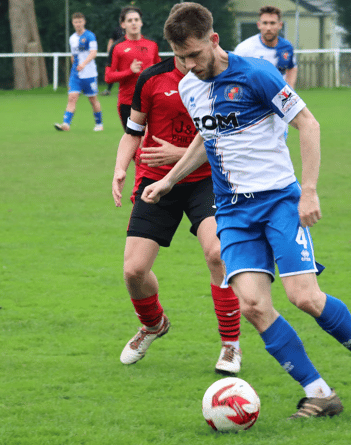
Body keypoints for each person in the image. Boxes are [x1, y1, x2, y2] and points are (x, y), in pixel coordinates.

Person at [143, 2, 351, 419]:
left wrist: (310, 191)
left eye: (194, 54)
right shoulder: (190, 86)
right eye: (180, 57)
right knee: (252, 305)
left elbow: (309, 124)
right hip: (231, 211)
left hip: (279, 200)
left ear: (213, 40)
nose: (188, 65)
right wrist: (169, 180)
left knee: (304, 297)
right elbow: (204, 140)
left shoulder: (257, 74)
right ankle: (319, 392)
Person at [112, 49, 242, 375]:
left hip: (206, 180)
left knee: (217, 253)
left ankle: (230, 345)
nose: (191, 60)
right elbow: (133, 132)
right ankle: (153, 324)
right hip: (156, 181)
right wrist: (119, 169)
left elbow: (230, 139)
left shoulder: (221, 79)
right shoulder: (152, 78)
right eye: (183, 52)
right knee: (134, 272)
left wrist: (179, 153)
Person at [105, 6, 161, 130]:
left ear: (141, 22)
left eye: (136, 19)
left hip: (152, 102)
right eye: (130, 20)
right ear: (123, 25)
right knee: (134, 143)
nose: (134, 23)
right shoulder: (117, 47)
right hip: (128, 104)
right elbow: (108, 77)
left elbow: (160, 71)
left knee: (151, 144)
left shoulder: (152, 45)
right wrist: (129, 72)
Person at [54, 12, 104, 132]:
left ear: (84, 22)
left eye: (80, 21)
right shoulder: (72, 38)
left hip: (89, 74)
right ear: (73, 23)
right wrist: (75, 63)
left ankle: (99, 124)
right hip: (76, 74)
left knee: (93, 99)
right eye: (76, 22)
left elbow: (93, 52)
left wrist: (83, 64)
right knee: (72, 97)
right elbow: (73, 54)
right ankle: (66, 124)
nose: (78, 24)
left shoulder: (90, 36)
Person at [233, 5, 297, 89]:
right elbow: (233, 74)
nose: (268, 28)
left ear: (280, 25)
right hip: (254, 98)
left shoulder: (286, 46)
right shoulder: (244, 48)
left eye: (272, 23)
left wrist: (290, 87)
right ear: (259, 25)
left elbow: (292, 67)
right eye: (265, 23)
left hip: (279, 98)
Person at [101, 24, 126, 96]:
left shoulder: (130, 29)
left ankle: (126, 89)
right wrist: (109, 50)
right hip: (116, 54)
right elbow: (111, 40)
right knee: (112, 72)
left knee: (126, 72)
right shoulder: (116, 30)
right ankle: (108, 90)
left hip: (126, 55)